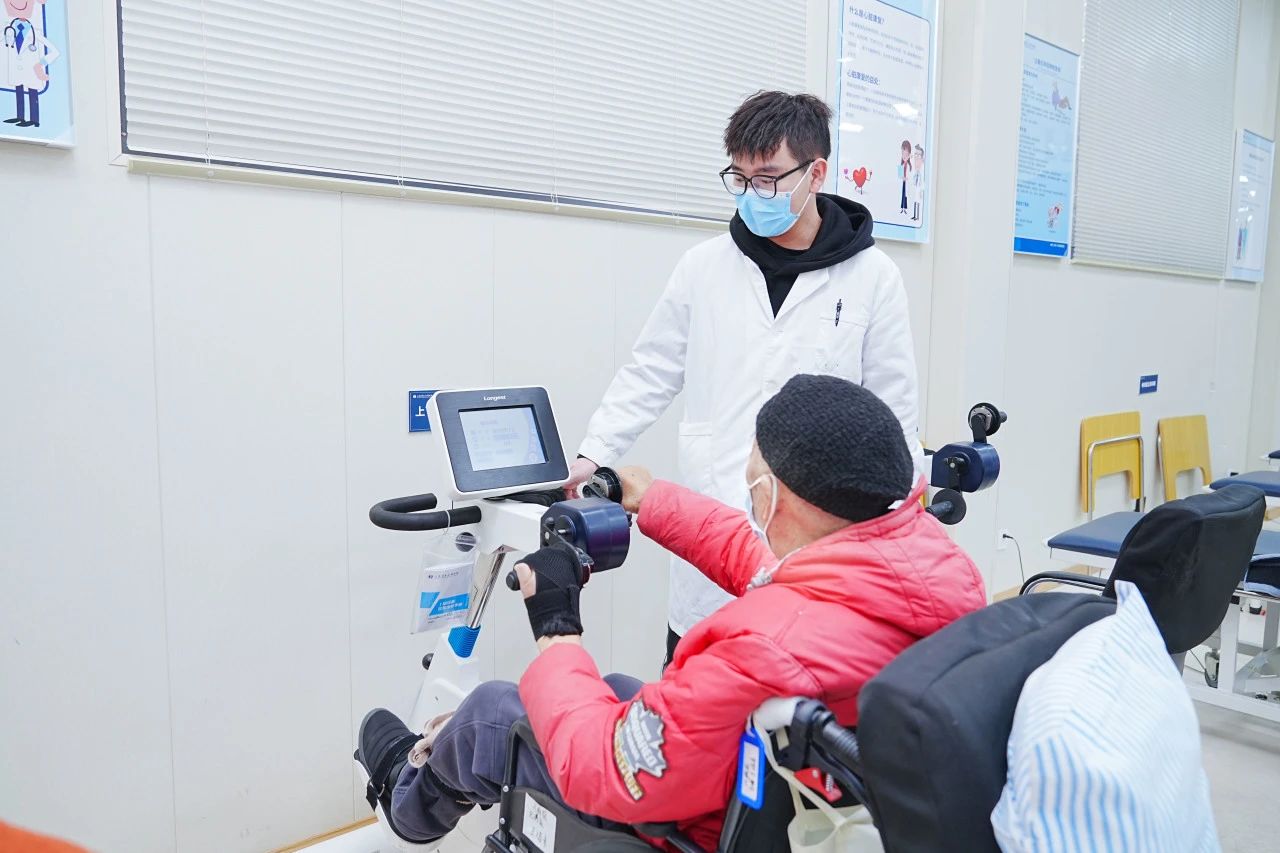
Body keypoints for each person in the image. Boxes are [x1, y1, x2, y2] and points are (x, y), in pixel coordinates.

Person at [357, 376, 986, 851]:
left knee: (493, 713)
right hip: (781, 789)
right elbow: (766, 564)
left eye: (754, 479)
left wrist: (556, 628)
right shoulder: (927, 569)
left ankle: (408, 808)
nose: (750, 491)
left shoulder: (764, 649)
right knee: (614, 687)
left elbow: (600, 767)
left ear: (777, 497)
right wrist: (652, 499)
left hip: (685, 826)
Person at [563, 91, 926, 661]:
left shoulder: (873, 277)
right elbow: (651, 369)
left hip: (817, 538)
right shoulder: (704, 266)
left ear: (816, 174)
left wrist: (903, 526)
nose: (753, 194)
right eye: (740, 178)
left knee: (793, 693)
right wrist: (595, 451)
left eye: (768, 179)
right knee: (690, 691)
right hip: (712, 529)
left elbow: (893, 410)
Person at [3, 0, 58, 129]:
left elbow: (55, 52)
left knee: (32, 92)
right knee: (19, 90)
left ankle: (34, 119)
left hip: (32, 71)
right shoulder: (8, 30)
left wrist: (41, 64)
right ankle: (20, 116)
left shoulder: (36, 33)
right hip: (16, 71)